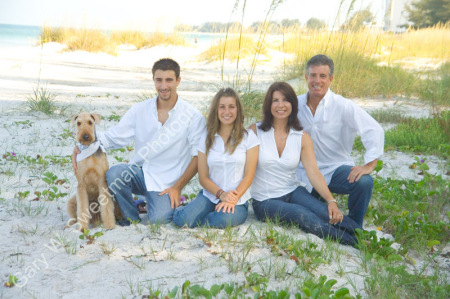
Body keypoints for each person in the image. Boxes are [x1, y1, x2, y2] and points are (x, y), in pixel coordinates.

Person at [72, 58, 206, 226]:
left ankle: (161, 203)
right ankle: (131, 217)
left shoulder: (192, 116)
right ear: (153, 80)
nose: (163, 86)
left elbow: (198, 156)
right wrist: (80, 148)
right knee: (114, 174)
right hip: (140, 174)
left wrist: (177, 187)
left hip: (167, 182)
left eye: (169, 80)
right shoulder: (139, 110)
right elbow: (114, 137)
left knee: (159, 220)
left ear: (178, 81)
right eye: (159, 80)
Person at [250, 82, 359, 246]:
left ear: (293, 104)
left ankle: (367, 237)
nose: (281, 105)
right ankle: (356, 243)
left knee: (324, 212)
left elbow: (314, 172)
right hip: (265, 201)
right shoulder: (255, 131)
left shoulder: (301, 137)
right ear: (268, 104)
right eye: (275, 100)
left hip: (293, 191)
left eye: (285, 100)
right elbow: (238, 163)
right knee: (302, 214)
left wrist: (331, 201)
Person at [297, 54, 384, 228]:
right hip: (303, 173)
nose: (317, 81)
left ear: (331, 79)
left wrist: (369, 165)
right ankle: (326, 206)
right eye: (313, 75)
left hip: (335, 169)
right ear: (306, 77)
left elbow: (374, 130)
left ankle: (355, 226)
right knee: (311, 217)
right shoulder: (295, 104)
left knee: (364, 182)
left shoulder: (343, 105)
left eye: (322, 76)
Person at [173, 88, 259, 228]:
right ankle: (189, 210)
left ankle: (205, 215)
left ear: (238, 110)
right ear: (216, 110)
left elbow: (249, 176)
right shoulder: (206, 138)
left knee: (219, 221)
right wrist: (221, 195)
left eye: (231, 107)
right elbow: (203, 178)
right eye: (222, 107)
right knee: (182, 221)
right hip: (210, 196)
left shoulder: (249, 137)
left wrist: (231, 199)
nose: (227, 112)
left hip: (237, 200)